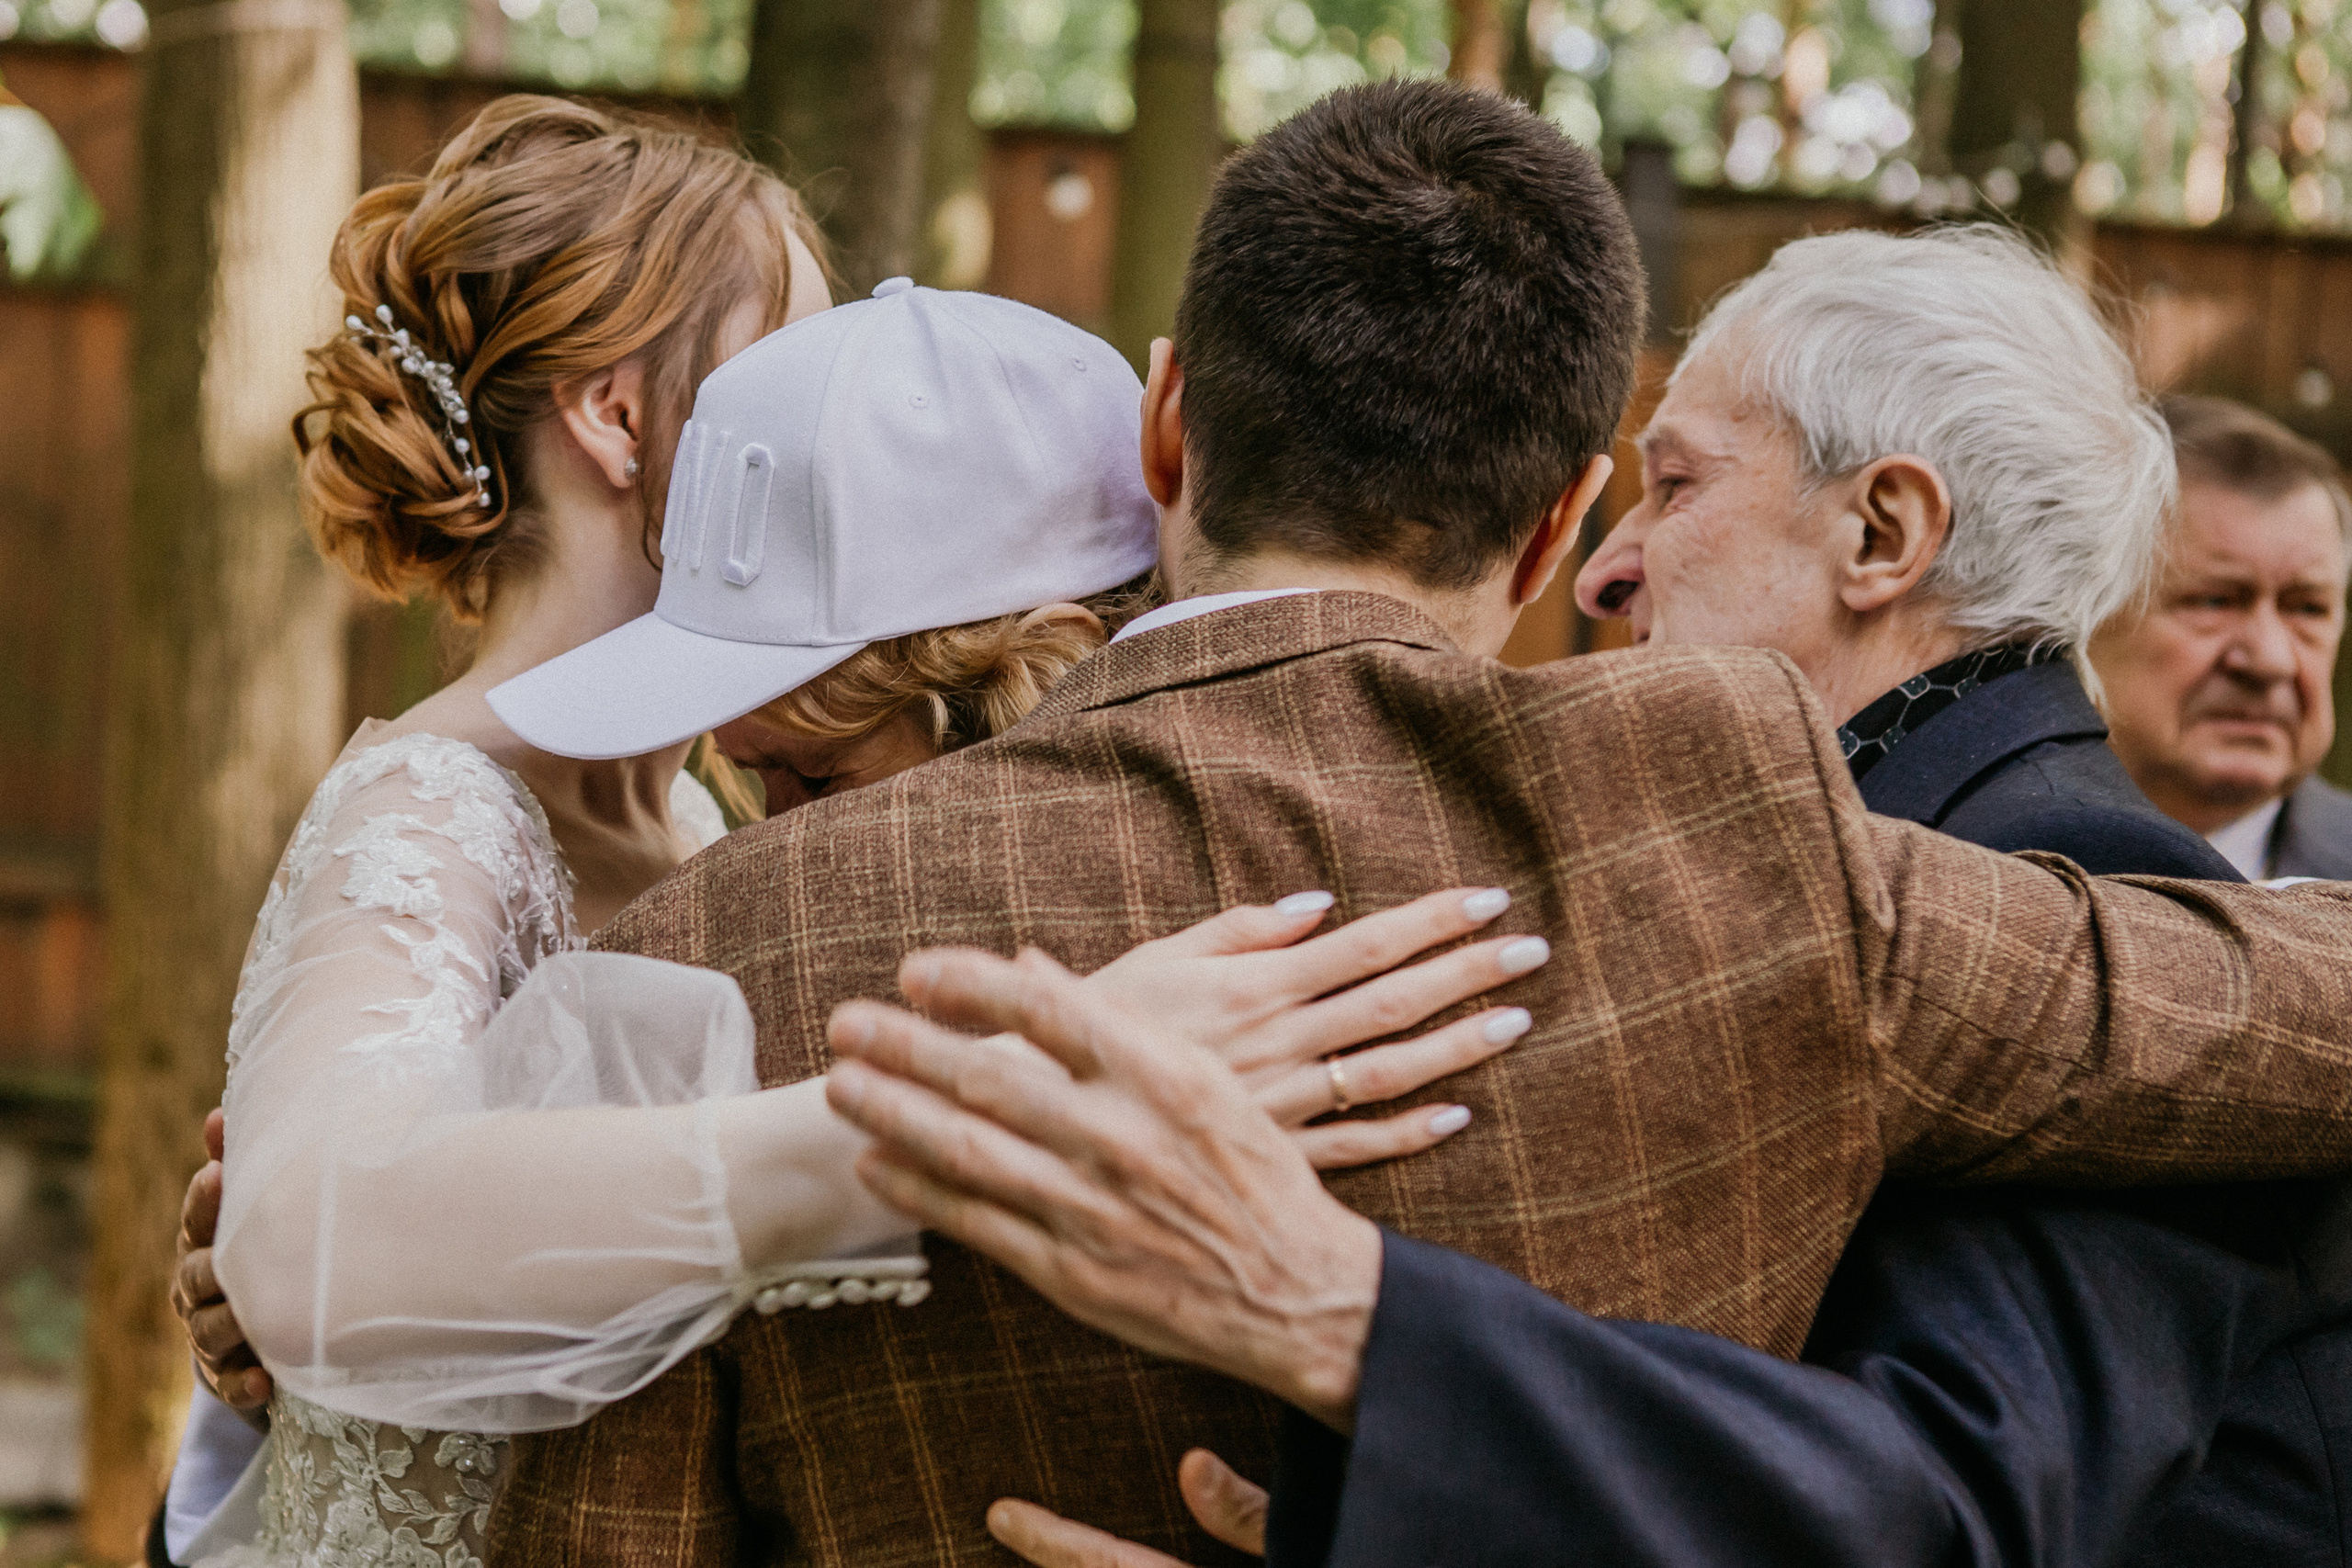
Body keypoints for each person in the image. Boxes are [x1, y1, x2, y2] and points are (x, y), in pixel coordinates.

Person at [483, 81, 2352, 1568]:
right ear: (1547, 518)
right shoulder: (1742, 843)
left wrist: (412, 1211)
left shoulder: (692, 965)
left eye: (1677, 487)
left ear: (1166, 430)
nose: (1619, 566)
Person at [159, 97, 1522, 1568]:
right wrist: (980, 1112)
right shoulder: (430, 805)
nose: (837, 405)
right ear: (619, 412)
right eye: (788, 361)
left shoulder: (700, 818)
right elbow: (306, 1245)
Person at [954, 227, 2352, 1568]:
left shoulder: (2078, 878)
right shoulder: (1816, 839)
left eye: (1674, 486)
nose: (1609, 563)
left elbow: (1948, 1506)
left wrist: (1350, 1322)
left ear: (1883, 531)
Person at [2096, 393, 2352, 881]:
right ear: (2084, 617)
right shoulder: (1966, 865)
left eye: (2307, 608)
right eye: (2216, 601)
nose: (2270, 660)